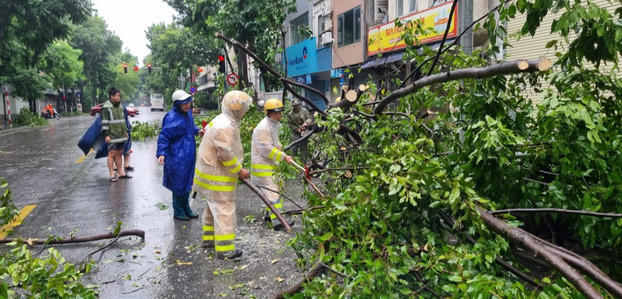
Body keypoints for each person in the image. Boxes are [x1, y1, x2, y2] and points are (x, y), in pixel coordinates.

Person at [193, 90, 251, 260]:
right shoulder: (225, 125)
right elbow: (224, 153)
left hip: (208, 175)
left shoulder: (221, 120)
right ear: (237, 108)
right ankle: (226, 251)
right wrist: (239, 170)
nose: (244, 111)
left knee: (212, 208)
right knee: (225, 211)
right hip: (217, 176)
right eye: (243, 107)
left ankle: (208, 241)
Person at [157, 90, 203, 221]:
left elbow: (189, 127)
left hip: (188, 155)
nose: (187, 106)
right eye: (184, 103)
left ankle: (186, 207)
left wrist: (197, 130)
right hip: (176, 156)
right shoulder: (171, 117)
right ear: (177, 104)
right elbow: (164, 136)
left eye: (188, 103)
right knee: (178, 183)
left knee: (187, 181)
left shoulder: (187, 113)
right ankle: (178, 210)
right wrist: (162, 152)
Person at [251, 98, 295, 231]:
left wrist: (279, 149)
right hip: (263, 166)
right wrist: (283, 156)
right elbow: (266, 149)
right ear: (268, 113)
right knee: (273, 192)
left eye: (280, 112)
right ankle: (278, 221)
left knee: (270, 191)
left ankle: (268, 215)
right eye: (275, 113)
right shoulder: (264, 127)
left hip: (269, 165)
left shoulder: (273, 125)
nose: (279, 115)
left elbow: (274, 144)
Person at [101, 88, 131, 182]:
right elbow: (104, 122)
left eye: (119, 95)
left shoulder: (120, 107)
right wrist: (106, 135)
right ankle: (111, 174)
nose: (119, 97)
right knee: (112, 154)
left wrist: (126, 131)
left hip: (121, 135)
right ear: (112, 96)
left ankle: (120, 172)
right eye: (117, 95)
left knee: (119, 153)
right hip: (112, 135)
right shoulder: (106, 108)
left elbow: (123, 121)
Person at [286, 99, 314, 164]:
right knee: (294, 147)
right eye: (295, 105)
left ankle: (303, 163)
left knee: (303, 147)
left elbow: (310, 118)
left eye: (297, 105)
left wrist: (306, 123)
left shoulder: (304, 111)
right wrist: (297, 129)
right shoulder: (290, 114)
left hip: (305, 131)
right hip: (296, 132)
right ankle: (294, 162)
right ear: (293, 106)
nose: (297, 107)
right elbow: (290, 125)